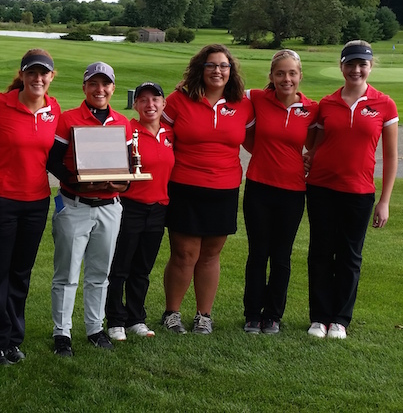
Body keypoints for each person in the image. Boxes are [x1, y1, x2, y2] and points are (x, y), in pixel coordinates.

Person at [304, 40, 399, 340]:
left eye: (362, 64)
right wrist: (308, 157)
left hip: (358, 192)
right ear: (341, 66)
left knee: (349, 256)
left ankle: (340, 320)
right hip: (321, 188)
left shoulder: (385, 104)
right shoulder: (327, 104)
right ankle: (319, 318)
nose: (356, 70)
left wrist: (384, 201)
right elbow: (313, 145)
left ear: (370, 67)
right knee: (320, 253)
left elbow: (392, 156)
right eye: (350, 64)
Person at [160, 43, 253, 335]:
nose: (218, 71)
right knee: (184, 254)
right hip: (185, 186)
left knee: (211, 255)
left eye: (223, 66)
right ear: (200, 69)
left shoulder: (242, 104)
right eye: (211, 65)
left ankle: (204, 315)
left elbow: (253, 142)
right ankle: (172, 313)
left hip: (224, 188)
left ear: (231, 71)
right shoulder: (177, 101)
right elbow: (160, 140)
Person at [0, 49, 61, 365]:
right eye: (32, 73)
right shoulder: (0, 104)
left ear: (51, 77)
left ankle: (12, 338)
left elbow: (55, 156)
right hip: (1, 199)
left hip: (37, 202)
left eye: (44, 74)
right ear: (22, 75)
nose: (38, 79)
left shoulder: (54, 109)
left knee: (21, 273)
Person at [47, 61, 131, 356]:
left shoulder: (123, 122)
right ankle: (62, 332)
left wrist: (123, 183)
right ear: (84, 87)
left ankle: (95, 328)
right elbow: (54, 161)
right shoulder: (68, 118)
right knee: (67, 273)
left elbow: (130, 167)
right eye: (93, 84)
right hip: (75, 205)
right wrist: (77, 182)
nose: (99, 89)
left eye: (105, 84)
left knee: (100, 272)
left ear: (113, 88)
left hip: (110, 207)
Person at [241, 50, 318, 335]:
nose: (287, 78)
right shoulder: (258, 98)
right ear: (272, 77)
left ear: (300, 76)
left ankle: (273, 315)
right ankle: (252, 314)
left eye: (292, 73)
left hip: (293, 191)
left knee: (281, 256)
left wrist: (310, 157)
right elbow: (227, 86)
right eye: (280, 73)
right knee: (258, 254)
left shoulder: (312, 109)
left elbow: (322, 140)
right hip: (259, 187)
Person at [104, 82, 174, 342]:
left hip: (158, 208)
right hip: (130, 207)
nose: (150, 105)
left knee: (142, 268)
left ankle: (136, 317)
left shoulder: (170, 134)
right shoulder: (126, 130)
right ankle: (115, 319)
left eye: (155, 99)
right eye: (143, 100)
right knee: (120, 267)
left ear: (163, 104)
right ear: (136, 105)